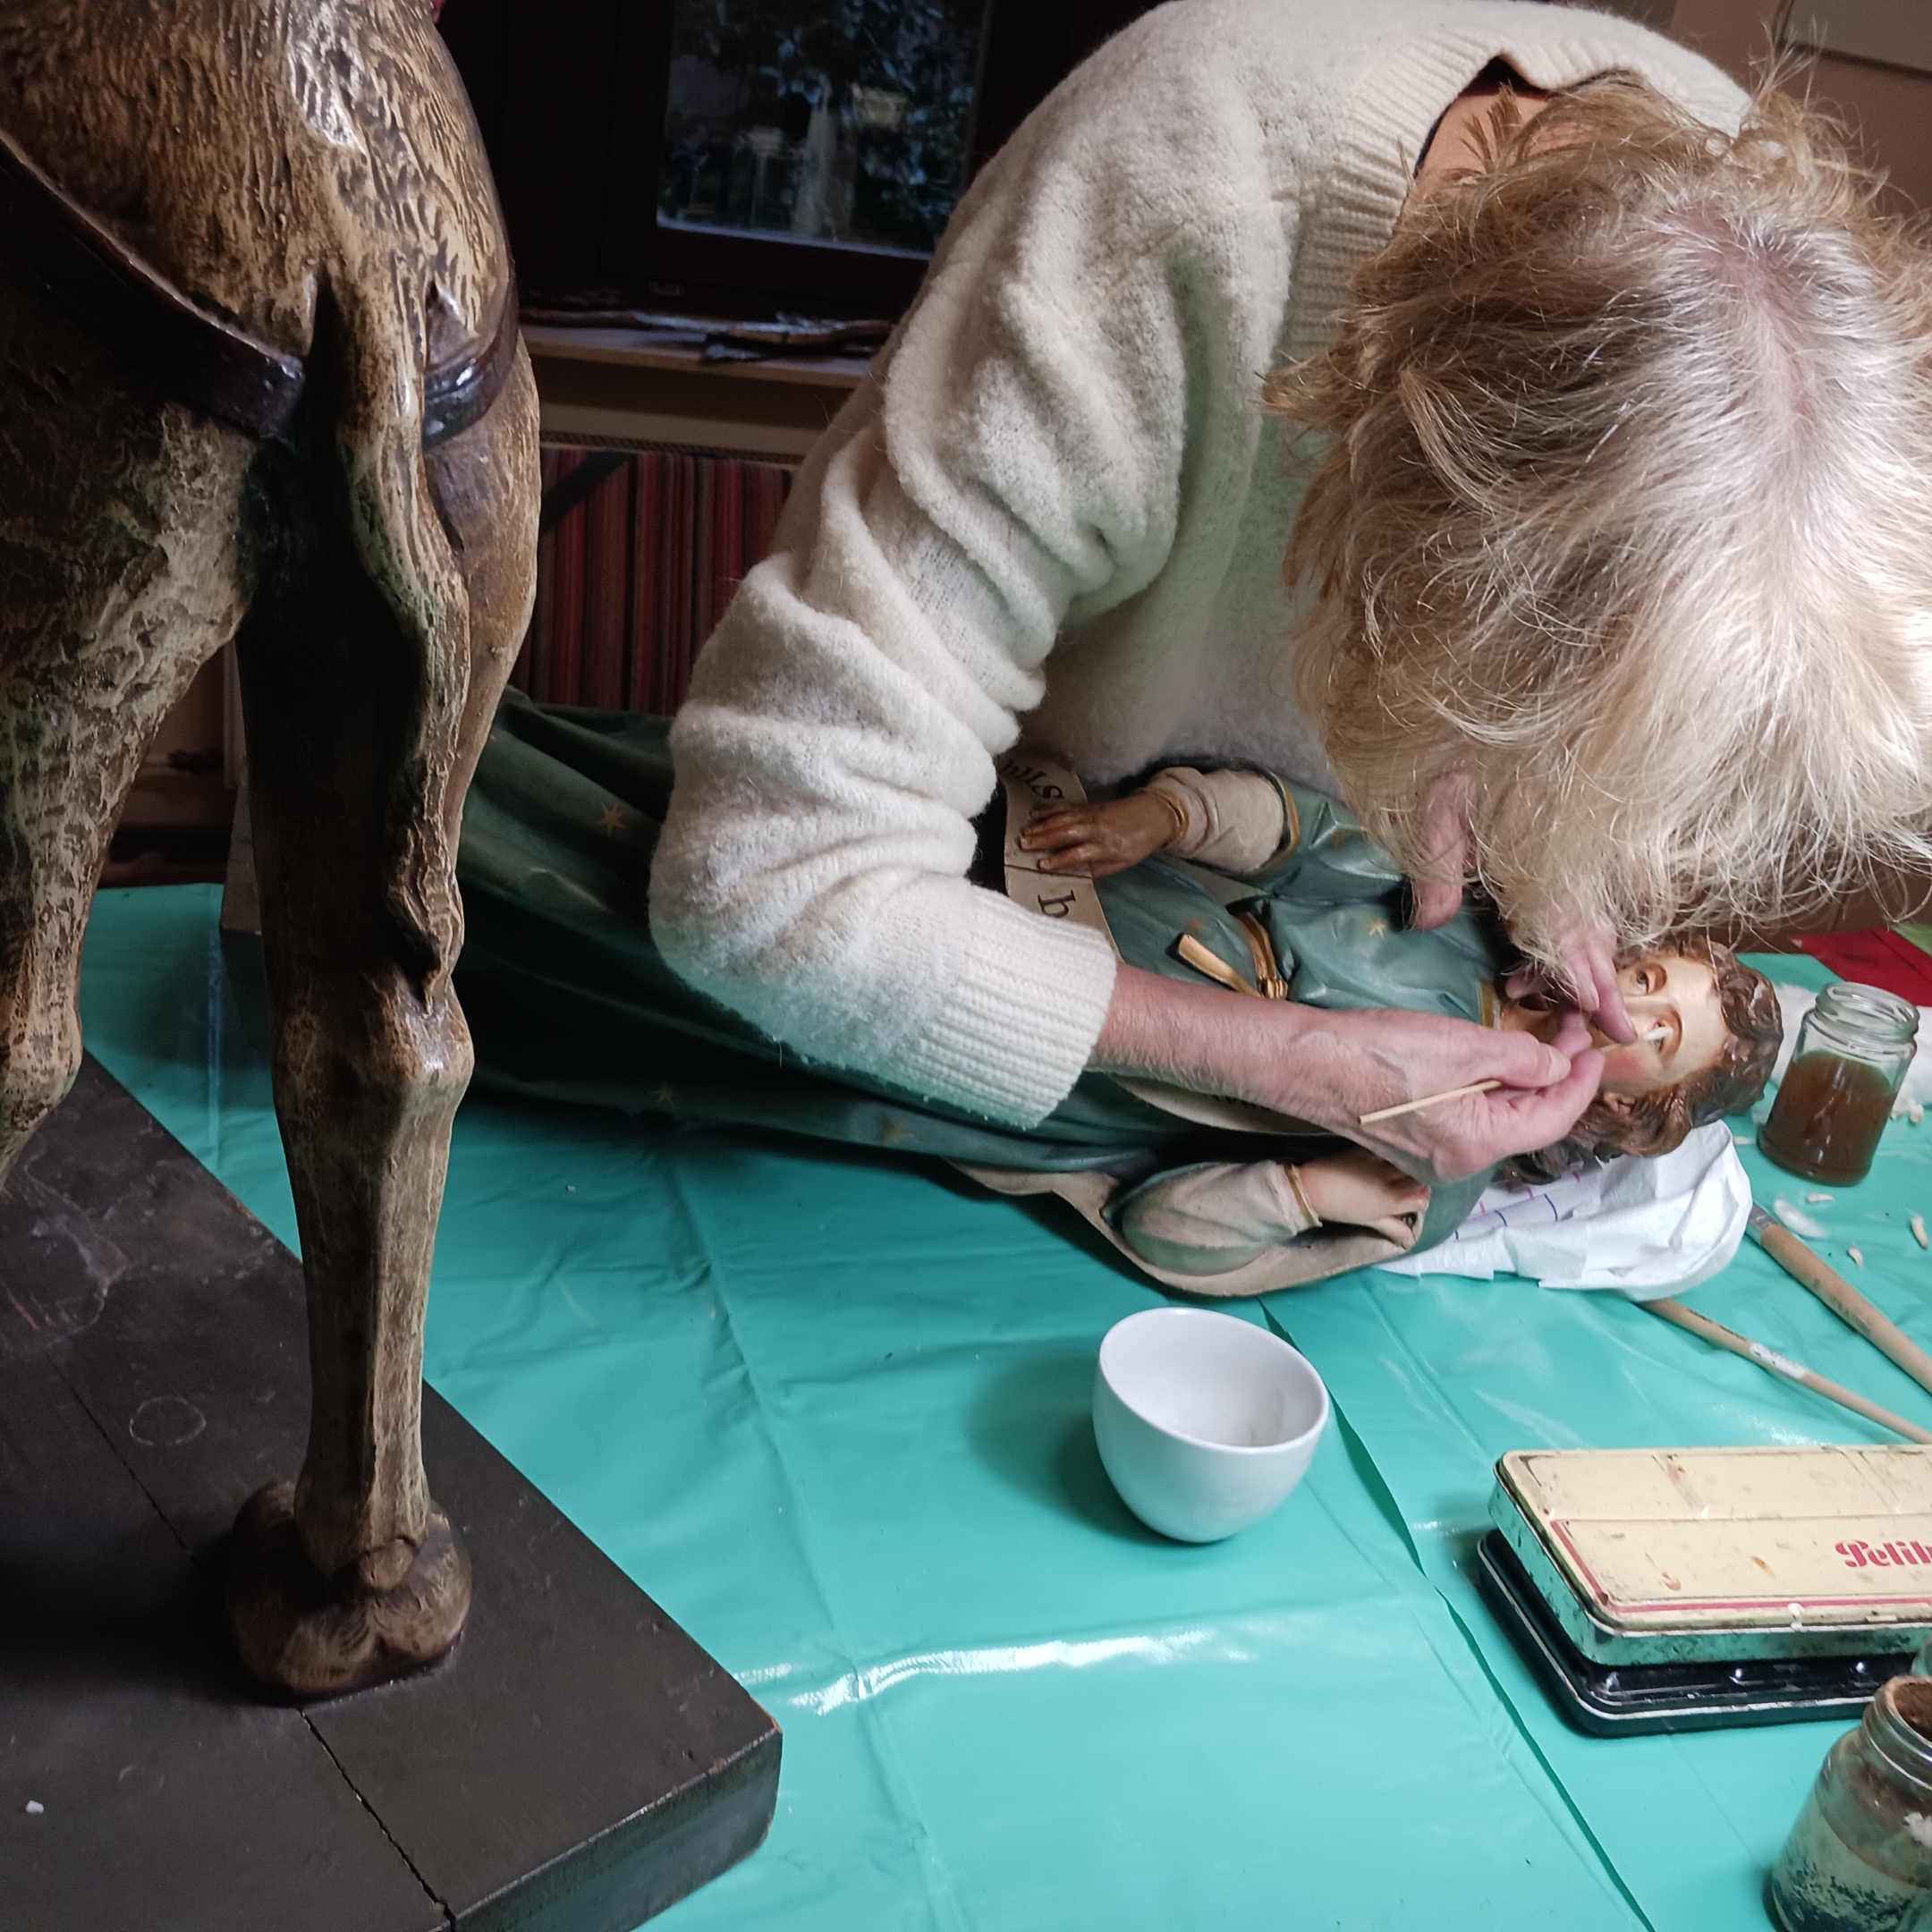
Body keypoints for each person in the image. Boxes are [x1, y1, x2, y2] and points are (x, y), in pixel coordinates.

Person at [646, 0, 1932, 1195]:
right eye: (1516, 698)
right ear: (1410, 553)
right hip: (992, 855)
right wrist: (1286, 1058)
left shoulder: (1740, 214)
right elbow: (768, 883)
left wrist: (1542, 844)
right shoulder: (1156, 234)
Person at [450, 699, 1779, 1292]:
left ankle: (397, 951)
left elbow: (1168, 1226)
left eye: (1655, 1047)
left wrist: (1318, 1190)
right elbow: (1309, 834)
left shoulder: (1436, 1177)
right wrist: (1168, 814)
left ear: (1627, 1116)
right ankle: (415, 768)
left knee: (671, 990)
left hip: (1038, 1074)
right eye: (1650, 984)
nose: (1621, 1019)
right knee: (693, 836)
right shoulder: (1459, 912)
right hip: (1046, 878)